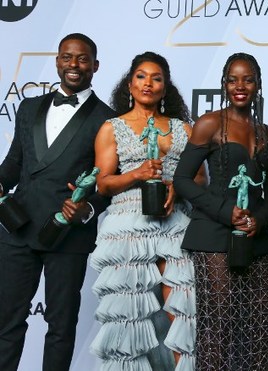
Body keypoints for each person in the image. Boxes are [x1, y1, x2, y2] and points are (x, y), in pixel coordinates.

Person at [0, 33, 114, 371]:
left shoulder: (108, 120)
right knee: (6, 324)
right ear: (57, 61)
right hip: (17, 228)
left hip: (68, 235)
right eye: (67, 57)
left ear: (95, 65)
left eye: (82, 59)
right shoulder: (29, 106)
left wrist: (87, 209)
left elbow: (106, 184)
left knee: (61, 328)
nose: (74, 65)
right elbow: (14, 163)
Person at [90, 51, 202, 370]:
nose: (148, 83)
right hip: (127, 224)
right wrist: (136, 174)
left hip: (174, 221)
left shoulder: (183, 129)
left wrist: (176, 186)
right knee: (130, 314)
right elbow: (102, 184)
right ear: (130, 83)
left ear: (165, 88)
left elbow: (199, 178)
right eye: (141, 76)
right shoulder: (113, 128)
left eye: (156, 78)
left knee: (183, 309)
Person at [173, 52, 268, 370]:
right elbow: (182, 180)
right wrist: (225, 211)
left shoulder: (266, 133)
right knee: (218, 328)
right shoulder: (209, 124)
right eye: (233, 79)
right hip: (213, 236)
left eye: (247, 79)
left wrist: (259, 221)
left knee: (264, 325)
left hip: (256, 238)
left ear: (257, 84)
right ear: (223, 84)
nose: (240, 85)